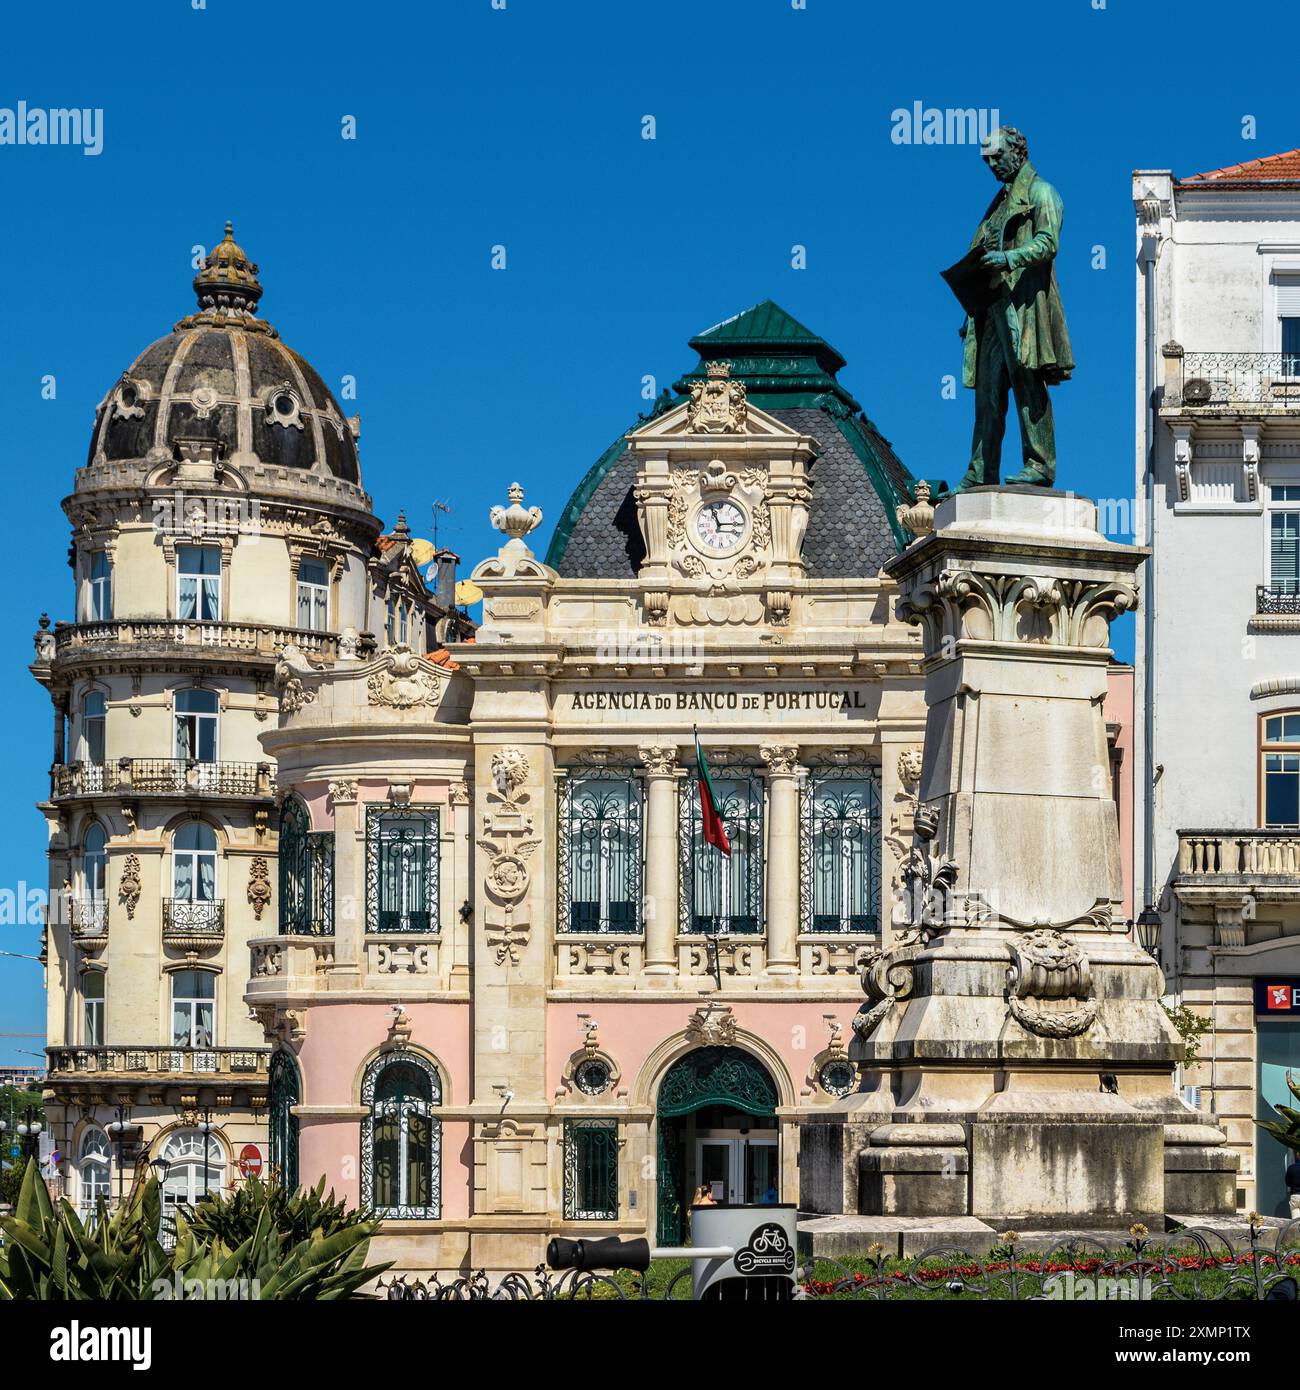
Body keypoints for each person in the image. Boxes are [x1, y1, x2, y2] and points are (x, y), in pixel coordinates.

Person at [955, 126, 1073, 489]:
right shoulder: (997, 204)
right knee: (987, 394)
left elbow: (1047, 243)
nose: (991, 164)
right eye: (986, 159)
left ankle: (1040, 464)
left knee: (1027, 383)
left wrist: (1008, 258)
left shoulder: (1042, 193)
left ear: (1018, 152)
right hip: (991, 309)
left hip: (1024, 307)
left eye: (996, 156)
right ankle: (980, 471)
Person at [1286, 1150, 1300, 1218]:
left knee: (1295, 1222)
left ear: (1297, 1156)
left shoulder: (1291, 1168)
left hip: (1295, 1196)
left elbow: (1287, 1183)